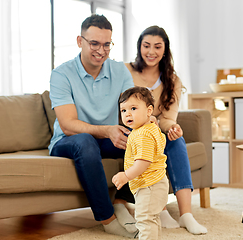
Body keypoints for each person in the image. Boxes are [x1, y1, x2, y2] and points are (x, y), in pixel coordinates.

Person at [48, 14, 138, 238]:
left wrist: (146, 122)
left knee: (142, 139)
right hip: (67, 142)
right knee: (86, 142)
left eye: (107, 44)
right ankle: (108, 220)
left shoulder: (119, 71)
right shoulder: (62, 74)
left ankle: (121, 201)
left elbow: (133, 109)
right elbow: (68, 125)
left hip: (102, 139)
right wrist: (107, 130)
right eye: (94, 43)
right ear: (80, 41)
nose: (101, 50)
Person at [125, 25, 208, 235]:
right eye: (146, 46)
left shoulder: (173, 80)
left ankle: (186, 214)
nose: (151, 52)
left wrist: (173, 128)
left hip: (156, 129)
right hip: (133, 131)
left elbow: (168, 118)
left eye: (157, 46)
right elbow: (122, 108)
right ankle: (159, 209)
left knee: (176, 141)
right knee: (150, 140)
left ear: (165, 50)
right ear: (139, 47)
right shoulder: (126, 71)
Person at [113, 86, 169, 240]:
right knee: (152, 218)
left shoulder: (142, 134)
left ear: (149, 110)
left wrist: (125, 176)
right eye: (123, 110)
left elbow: (143, 162)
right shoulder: (150, 129)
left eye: (133, 108)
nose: (128, 113)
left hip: (149, 185)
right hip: (156, 182)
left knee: (144, 219)